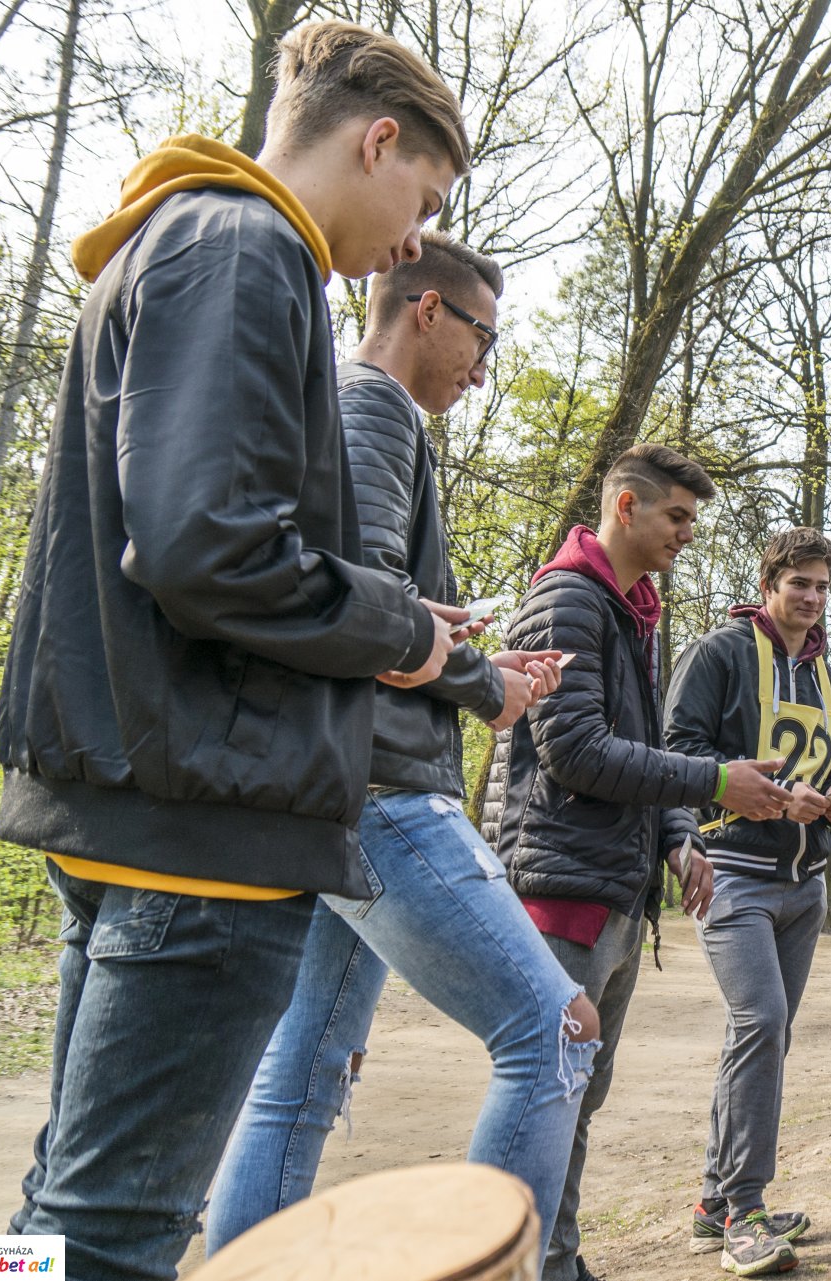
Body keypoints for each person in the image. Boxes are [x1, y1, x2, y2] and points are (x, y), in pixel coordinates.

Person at [0, 22, 470, 1279]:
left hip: (134, 806)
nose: (413, 239)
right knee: (117, 1232)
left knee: (60, 1208)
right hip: (208, 829)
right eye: (420, 197)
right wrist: (406, 628)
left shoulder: (173, 241)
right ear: (376, 142)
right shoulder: (249, 250)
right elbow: (210, 546)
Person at [205, 234, 596, 1253]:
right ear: (427, 310)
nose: (483, 364)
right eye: (482, 338)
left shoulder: (353, 408)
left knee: (305, 1070)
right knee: (555, 1032)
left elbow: (360, 592)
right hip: (382, 792)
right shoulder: (374, 404)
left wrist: (472, 666)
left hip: (341, 785)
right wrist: (484, 686)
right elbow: (368, 611)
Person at [482, 443, 792, 1281]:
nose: (688, 535)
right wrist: (719, 779)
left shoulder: (634, 609)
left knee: (578, 1097)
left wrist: (680, 834)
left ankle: (558, 1259)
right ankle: (514, 1263)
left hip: (618, 891)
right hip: (561, 893)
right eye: (677, 517)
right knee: (547, 1096)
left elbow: (642, 750)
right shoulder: (567, 600)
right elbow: (576, 752)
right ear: (627, 508)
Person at [665, 527, 831, 1276]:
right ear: (769, 582)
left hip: (804, 882)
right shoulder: (719, 654)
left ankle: (715, 1202)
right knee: (761, 1018)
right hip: (731, 872)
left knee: (762, 1037)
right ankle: (746, 1209)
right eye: (798, 583)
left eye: (821, 585)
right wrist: (770, 800)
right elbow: (676, 755)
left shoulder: (827, 678)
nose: (810, 597)